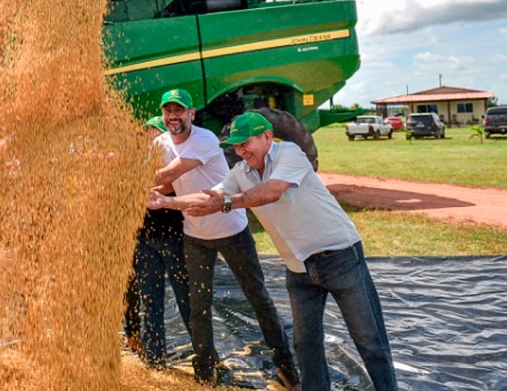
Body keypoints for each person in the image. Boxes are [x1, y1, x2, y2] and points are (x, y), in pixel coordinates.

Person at [155, 111, 398, 390]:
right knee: (305, 344)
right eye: (236, 146)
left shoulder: (289, 153)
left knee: (369, 340)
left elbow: (271, 191)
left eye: (245, 143)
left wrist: (227, 203)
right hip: (298, 268)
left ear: (267, 137)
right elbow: (213, 194)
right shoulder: (241, 172)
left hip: (339, 257)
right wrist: (166, 202)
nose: (240, 151)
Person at [150, 89, 300, 389]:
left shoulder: (204, 139)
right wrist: (154, 196)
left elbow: (166, 174)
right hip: (195, 236)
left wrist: (124, 177)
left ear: (192, 113)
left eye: (179, 110)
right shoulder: (160, 143)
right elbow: (166, 186)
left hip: (232, 232)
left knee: (258, 298)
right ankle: (205, 370)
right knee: (198, 306)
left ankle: (286, 366)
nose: (173, 116)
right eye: (168, 111)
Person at [134, 115, 191, 368]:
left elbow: (166, 187)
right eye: (147, 131)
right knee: (150, 300)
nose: (150, 136)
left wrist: (135, 186)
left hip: (173, 238)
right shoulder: (140, 161)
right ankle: (154, 357)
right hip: (144, 240)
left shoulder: (173, 161)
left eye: (154, 131)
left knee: (186, 298)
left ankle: (205, 358)